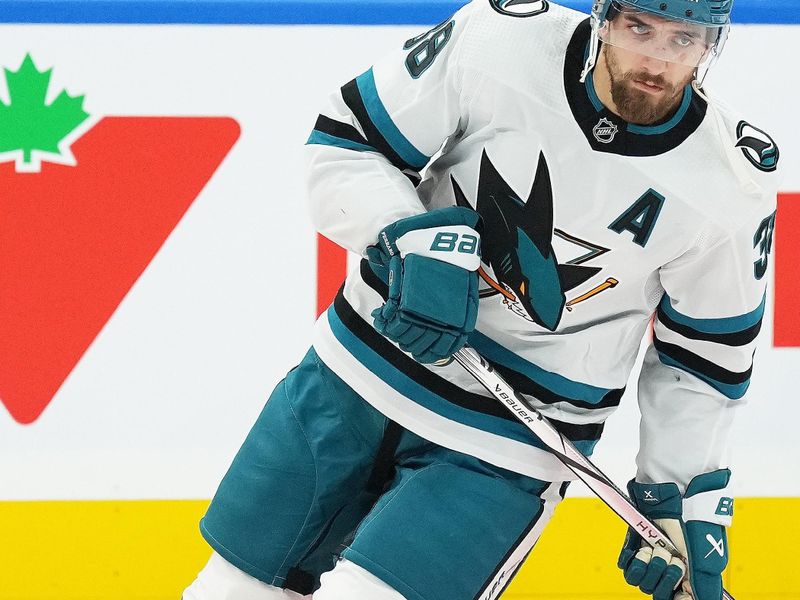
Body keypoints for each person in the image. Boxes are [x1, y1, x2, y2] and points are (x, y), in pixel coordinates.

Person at [183, 0, 780, 597]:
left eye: (683, 40)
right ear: (604, 18)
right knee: (226, 591)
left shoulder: (730, 182)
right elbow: (346, 143)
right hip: (350, 378)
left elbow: (703, 358)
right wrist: (410, 238)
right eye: (640, 29)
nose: (656, 59)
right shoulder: (498, 40)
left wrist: (674, 496)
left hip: (503, 445)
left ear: (711, 46)